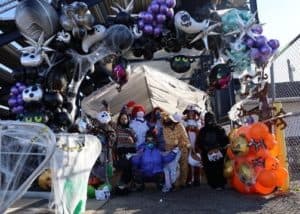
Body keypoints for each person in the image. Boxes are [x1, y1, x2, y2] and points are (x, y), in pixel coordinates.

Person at [195, 112, 229, 190]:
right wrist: (206, 149)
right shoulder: (203, 130)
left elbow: (225, 140)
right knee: (210, 169)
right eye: (207, 119)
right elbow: (199, 142)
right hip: (207, 153)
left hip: (218, 152)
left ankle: (220, 184)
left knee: (219, 168)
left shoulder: (219, 129)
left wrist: (218, 148)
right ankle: (213, 184)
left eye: (210, 118)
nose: (209, 120)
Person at [162, 112, 191, 191]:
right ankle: (175, 184)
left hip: (182, 148)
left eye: (171, 122)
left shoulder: (180, 126)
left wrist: (185, 144)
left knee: (184, 166)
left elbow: (185, 137)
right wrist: (178, 142)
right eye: (167, 123)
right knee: (173, 167)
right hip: (171, 150)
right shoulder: (165, 128)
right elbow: (167, 140)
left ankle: (183, 183)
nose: (170, 125)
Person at [113, 112, 137, 194]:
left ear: (128, 120)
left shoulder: (131, 129)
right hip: (121, 151)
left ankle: (126, 185)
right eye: (122, 119)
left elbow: (136, 139)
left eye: (125, 119)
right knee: (124, 166)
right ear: (119, 120)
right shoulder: (117, 129)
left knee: (130, 166)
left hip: (131, 150)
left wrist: (132, 139)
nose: (124, 120)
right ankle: (123, 185)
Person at [182, 105, 203, 186]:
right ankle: (189, 179)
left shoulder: (198, 122)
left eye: (192, 112)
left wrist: (195, 129)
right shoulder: (184, 122)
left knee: (196, 160)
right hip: (187, 143)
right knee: (188, 161)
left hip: (196, 143)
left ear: (195, 113)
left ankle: (197, 179)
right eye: (189, 112)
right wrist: (188, 129)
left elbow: (200, 131)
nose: (191, 113)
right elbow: (183, 132)